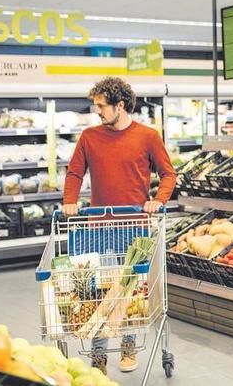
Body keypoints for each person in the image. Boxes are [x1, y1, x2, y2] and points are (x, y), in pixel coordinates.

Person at [62, 76, 176, 375]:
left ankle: (127, 346)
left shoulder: (148, 136)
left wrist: (158, 200)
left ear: (119, 105)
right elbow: (74, 174)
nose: (97, 111)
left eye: (101, 106)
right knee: (98, 290)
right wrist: (70, 201)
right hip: (97, 226)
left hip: (134, 223)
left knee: (131, 290)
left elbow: (168, 174)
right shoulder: (89, 137)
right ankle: (98, 355)